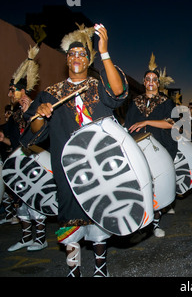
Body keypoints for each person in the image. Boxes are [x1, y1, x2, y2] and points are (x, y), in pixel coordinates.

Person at [21, 23, 128, 277]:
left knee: (101, 211)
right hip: (68, 168)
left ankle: (101, 268)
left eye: (82, 54)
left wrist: (104, 52)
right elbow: (34, 129)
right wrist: (41, 114)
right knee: (69, 219)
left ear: (88, 59)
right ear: (67, 59)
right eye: (72, 54)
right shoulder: (51, 93)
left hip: (100, 163)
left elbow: (118, 91)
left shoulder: (97, 85)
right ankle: (74, 271)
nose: (77, 57)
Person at [1, 45, 49, 252]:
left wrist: (32, 111)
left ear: (22, 90)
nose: (9, 93)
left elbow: (41, 135)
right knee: (21, 201)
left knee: (34, 198)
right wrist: (3, 139)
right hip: (18, 161)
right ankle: (26, 237)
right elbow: (14, 143)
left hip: (34, 160)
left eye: (13, 90)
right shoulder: (13, 116)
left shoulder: (33, 107)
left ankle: (40, 239)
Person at [124, 53, 177, 238]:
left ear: (158, 83)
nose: (151, 81)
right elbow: (129, 124)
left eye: (154, 79)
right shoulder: (135, 102)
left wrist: (147, 123)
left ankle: (155, 224)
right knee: (141, 186)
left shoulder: (166, 102)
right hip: (139, 150)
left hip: (161, 147)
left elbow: (171, 123)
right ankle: (140, 219)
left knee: (157, 187)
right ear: (144, 82)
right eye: (148, 79)